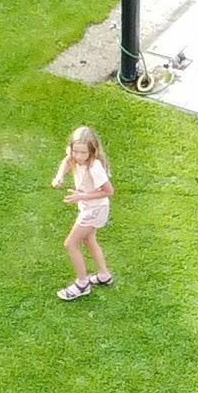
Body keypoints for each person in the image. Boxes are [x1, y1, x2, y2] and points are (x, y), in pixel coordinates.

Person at [52, 124, 114, 300]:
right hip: (89, 207)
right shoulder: (74, 155)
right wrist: (59, 177)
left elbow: (109, 191)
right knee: (89, 239)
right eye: (76, 151)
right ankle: (104, 275)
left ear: (92, 151)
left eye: (83, 153)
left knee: (70, 244)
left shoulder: (95, 167)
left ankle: (82, 284)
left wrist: (82, 196)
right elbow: (67, 160)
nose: (78, 156)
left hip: (95, 209)